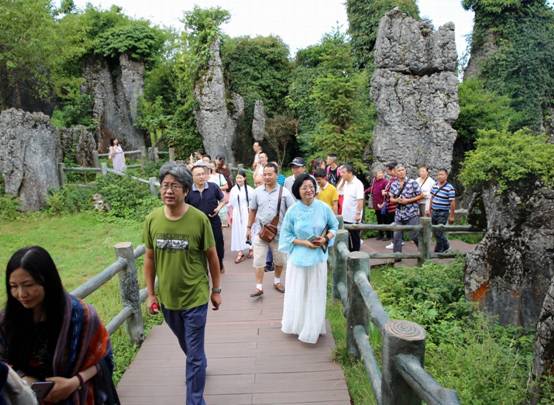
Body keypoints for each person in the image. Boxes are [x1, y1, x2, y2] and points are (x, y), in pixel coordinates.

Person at [143, 162, 221, 405]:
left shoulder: (198, 220)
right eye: (165, 185)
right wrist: (151, 294)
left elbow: (212, 257)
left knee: (194, 354)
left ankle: (194, 400)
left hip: (195, 297)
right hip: (168, 298)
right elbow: (149, 257)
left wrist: (216, 290)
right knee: (187, 345)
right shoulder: (152, 219)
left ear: (185, 190)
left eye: (174, 186)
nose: (168, 190)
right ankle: (199, 363)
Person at [0, 246, 119, 404]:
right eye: (14, 286)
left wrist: (74, 383)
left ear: (47, 281)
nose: (21, 294)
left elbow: (104, 358)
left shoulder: (81, 316)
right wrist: (22, 380)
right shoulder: (6, 321)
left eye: (28, 285)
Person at [278, 174, 338, 344]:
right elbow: (286, 236)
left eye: (311, 186)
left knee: (315, 293)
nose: (309, 190)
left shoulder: (323, 208)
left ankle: (313, 328)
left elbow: (334, 226)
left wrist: (326, 239)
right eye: (304, 187)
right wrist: (304, 242)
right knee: (298, 293)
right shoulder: (293, 211)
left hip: (318, 259)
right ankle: (297, 325)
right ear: (298, 190)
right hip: (298, 259)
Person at [246, 162, 295, 297]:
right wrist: (249, 228)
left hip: (279, 234)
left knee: (280, 261)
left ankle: (277, 281)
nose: (267, 177)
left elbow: (292, 212)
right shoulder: (257, 192)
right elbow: (252, 210)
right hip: (261, 233)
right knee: (258, 261)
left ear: (276, 175)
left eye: (270, 174)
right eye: (265, 174)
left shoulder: (284, 193)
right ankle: (259, 287)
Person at [186, 165, 227, 273]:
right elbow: (184, 206)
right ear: (192, 177)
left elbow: (223, 200)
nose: (201, 176)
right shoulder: (188, 190)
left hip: (213, 221)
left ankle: (219, 263)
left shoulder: (213, 187)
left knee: (218, 244)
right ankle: (202, 268)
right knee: (199, 246)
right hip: (196, 224)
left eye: (203, 174)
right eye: (198, 174)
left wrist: (218, 208)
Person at [389, 165, 424, 260]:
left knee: (414, 235)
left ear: (405, 171)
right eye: (399, 171)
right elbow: (391, 199)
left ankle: (423, 252)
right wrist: (397, 201)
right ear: (395, 173)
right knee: (396, 236)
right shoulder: (393, 184)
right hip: (399, 214)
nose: (401, 172)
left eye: (403, 170)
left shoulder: (413, 183)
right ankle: (397, 257)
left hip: (412, 213)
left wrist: (407, 201)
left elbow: (421, 196)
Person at [427, 169, 456, 253]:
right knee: (435, 230)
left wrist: (452, 216)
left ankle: (439, 249)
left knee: (439, 231)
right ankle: (445, 246)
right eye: (438, 174)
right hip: (434, 211)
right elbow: (432, 198)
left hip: (443, 212)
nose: (440, 176)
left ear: (446, 176)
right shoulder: (435, 185)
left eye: (442, 174)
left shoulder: (450, 188)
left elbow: (452, 202)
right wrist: (429, 209)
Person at [228, 170, 254, 263]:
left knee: (248, 230)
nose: (238, 179)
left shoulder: (250, 189)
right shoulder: (233, 189)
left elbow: (254, 203)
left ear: (244, 178)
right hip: (237, 213)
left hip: (246, 212)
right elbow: (230, 204)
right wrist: (230, 215)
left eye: (240, 177)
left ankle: (251, 248)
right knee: (238, 231)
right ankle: (240, 251)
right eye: (237, 177)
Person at [341, 164, 365, 251]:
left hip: (354, 216)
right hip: (345, 215)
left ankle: (356, 256)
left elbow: (360, 200)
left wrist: (358, 214)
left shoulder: (358, 184)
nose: (341, 174)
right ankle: (349, 254)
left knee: (355, 237)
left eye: (343, 172)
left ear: (350, 173)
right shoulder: (346, 183)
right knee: (347, 237)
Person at [368, 169, 389, 240]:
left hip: (383, 203)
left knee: (385, 220)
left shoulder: (385, 181)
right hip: (376, 204)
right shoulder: (374, 181)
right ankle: (381, 234)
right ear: (375, 174)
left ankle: (388, 235)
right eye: (379, 173)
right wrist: (364, 191)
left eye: (381, 173)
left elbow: (387, 190)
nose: (380, 175)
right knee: (379, 220)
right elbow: (372, 188)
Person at [383, 162, 398, 246]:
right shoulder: (392, 178)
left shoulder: (395, 179)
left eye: (387, 170)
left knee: (394, 223)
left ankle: (395, 241)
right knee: (392, 222)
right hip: (390, 204)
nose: (387, 172)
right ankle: (395, 240)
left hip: (393, 205)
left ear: (392, 170)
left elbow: (394, 192)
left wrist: (386, 193)